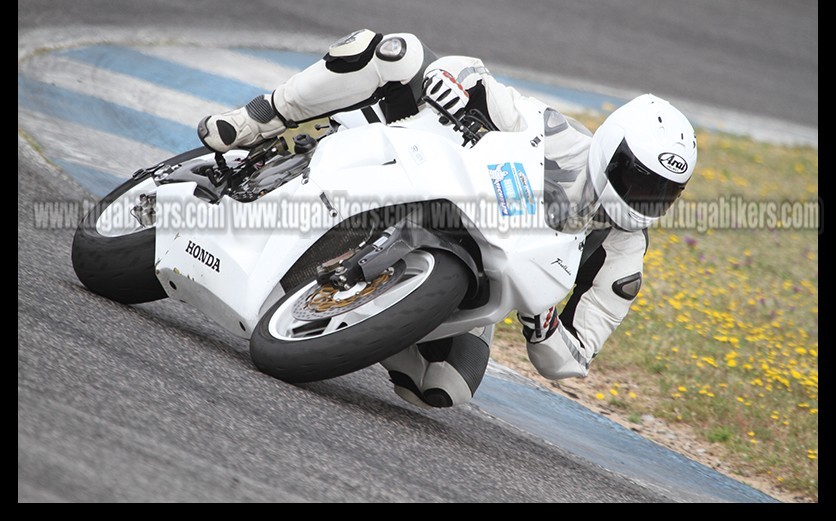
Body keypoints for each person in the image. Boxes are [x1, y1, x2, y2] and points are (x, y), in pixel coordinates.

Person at [198, 29, 698, 409]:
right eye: (637, 179)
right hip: (432, 177)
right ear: (611, 151)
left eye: (661, 193)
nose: (643, 198)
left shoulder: (625, 251)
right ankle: (258, 118)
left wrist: (543, 322)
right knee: (398, 51)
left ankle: (362, 314)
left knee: (442, 389)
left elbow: (575, 358)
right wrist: (455, 88)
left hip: (483, 272)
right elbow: (475, 78)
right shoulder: (558, 134)